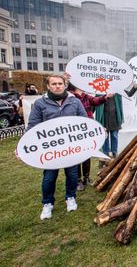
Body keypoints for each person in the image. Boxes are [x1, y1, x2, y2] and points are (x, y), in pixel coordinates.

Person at [27, 74, 87, 220]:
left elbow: (84, 121)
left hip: (71, 148)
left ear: (65, 85)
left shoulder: (75, 102)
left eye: (60, 83)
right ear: (48, 86)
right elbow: (33, 127)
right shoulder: (40, 103)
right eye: (54, 84)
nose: (57, 86)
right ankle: (47, 203)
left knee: (72, 175)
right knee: (49, 177)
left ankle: (70, 197)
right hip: (51, 150)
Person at [67, 82, 113, 190]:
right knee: (77, 154)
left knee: (87, 153)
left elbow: (95, 101)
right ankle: (78, 180)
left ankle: (86, 178)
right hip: (74, 129)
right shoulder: (69, 96)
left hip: (87, 129)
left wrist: (106, 97)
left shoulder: (85, 96)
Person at [94, 85, 137, 161]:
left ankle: (114, 152)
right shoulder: (99, 90)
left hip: (115, 117)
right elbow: (94, 102)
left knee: (114, 135)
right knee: (105, 136)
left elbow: (129, 94)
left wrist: (134, 87)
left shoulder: (118, 88)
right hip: (103, 117)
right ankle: (105, 153)